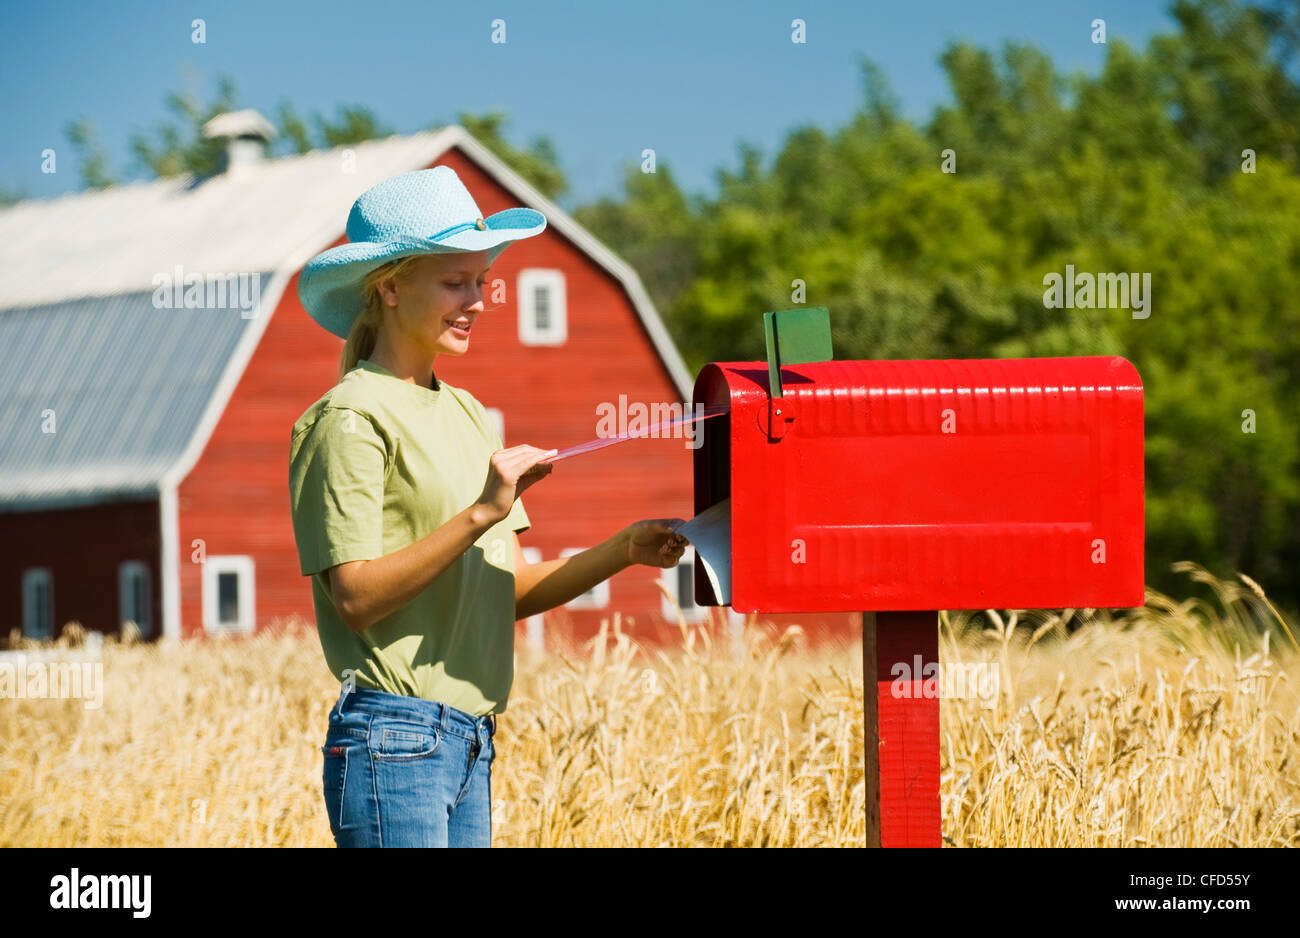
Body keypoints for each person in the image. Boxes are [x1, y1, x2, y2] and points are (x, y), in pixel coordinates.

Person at [288, 166, 688, 847]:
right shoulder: (349, 418)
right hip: (394, 735)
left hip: (470, 741)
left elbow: (504, 590)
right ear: (388, 287)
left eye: (480, 281)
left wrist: (622, 551)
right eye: (455, 282)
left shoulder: (471, 415)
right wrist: (480, 512)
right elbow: (354, 597)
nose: (477, 300)